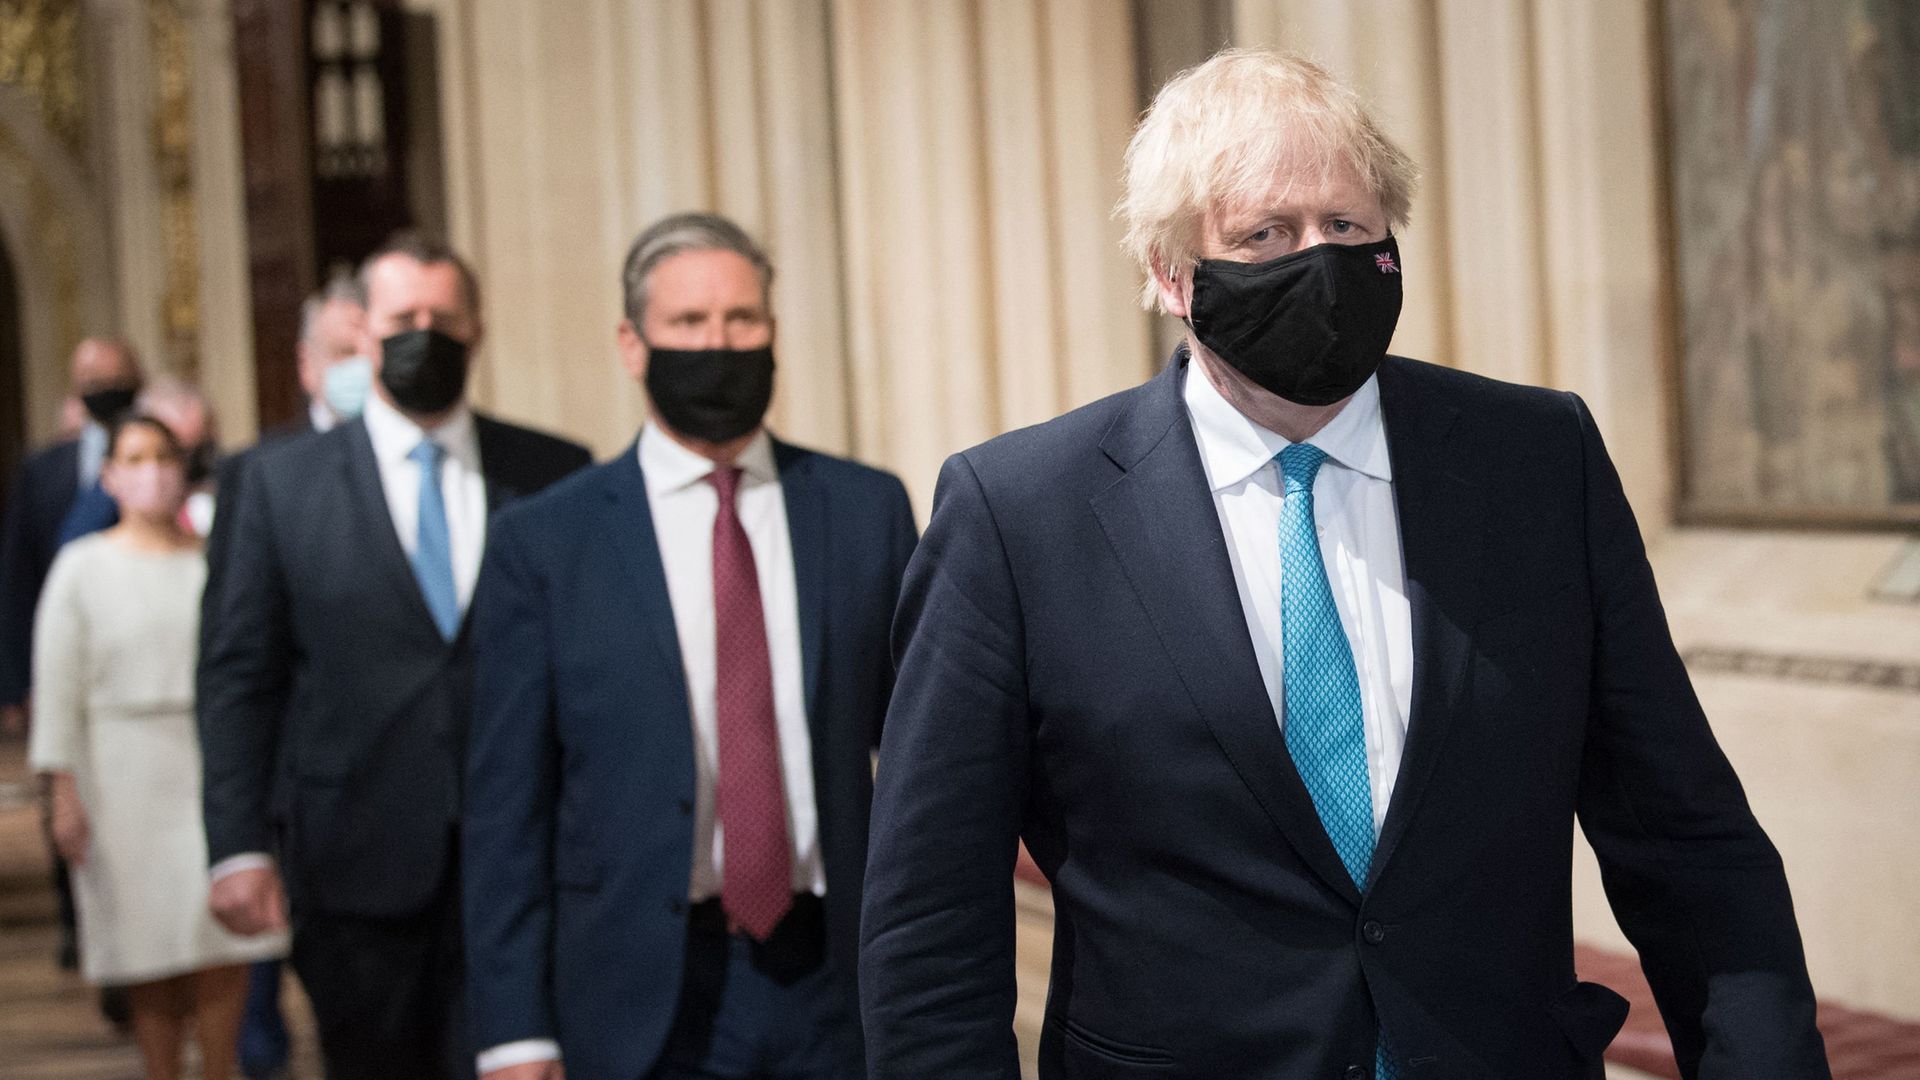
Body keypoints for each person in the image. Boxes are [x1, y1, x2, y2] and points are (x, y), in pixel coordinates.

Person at [859, 48, 1829, 1079]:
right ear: (1169, 274)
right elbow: (931, 925)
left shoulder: (1538, 465)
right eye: (1266, 234)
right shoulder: (1019, 517)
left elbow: (1687, 843)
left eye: (1349, 227)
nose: (1317, 260)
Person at [464, 212, 916, 1080]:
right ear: (633, 344)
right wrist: (515, 1030)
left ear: (774, 334)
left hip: (834, 978)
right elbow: (505, 811)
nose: (719, 344)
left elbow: (917, 743)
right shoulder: (546, 543)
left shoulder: (866, 511)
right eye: (689, 324)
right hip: (637, 987)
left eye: (741, 321)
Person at [198, 231, 592, 1079]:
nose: (425, 332)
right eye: (403, 316)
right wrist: (237, 844)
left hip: (531, 855)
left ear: (478, 330)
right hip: (355, 862)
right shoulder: (276, 484)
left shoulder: (555, 470)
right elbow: (239, 672)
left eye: (444, 317)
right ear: (363, 332)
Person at [29, 413, 289, 1080]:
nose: (153, 472)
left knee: (222, 937)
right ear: (111, 476)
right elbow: (57, 687)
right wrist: (62, 789)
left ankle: (220, 1069)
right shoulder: (82, 568)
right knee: (150, 950)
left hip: (209, 761)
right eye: (135, 458)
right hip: (122, 773)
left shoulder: (214, 561)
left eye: (164, 457)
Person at [0, 338, 145, 734]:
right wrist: (16, 684)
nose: (105, 390)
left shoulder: (161, 461)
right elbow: (18, 580)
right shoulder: (42, 471)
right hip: (67, 650)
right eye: (92, 381)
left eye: (116, 379)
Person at [56, 377, 221, 545]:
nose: (187, 464)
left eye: (197, 449)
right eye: (169, 450)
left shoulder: (217, 489)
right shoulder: (109, 495)